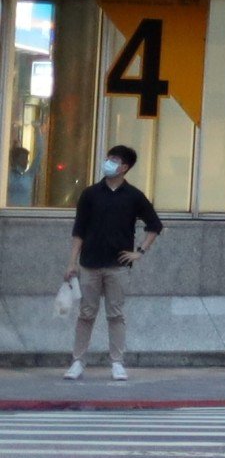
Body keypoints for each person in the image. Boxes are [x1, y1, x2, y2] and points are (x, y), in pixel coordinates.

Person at [63, 141, 163, 381]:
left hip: (118, 266)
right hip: (89, 263)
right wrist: (71, 262)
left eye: (114, 161)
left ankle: (117, 362)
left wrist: (140, 251)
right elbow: (79, 230)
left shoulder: (134, 196)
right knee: (86, 313)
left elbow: (155, 225)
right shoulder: (90, 194)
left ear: (125, 167)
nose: (108, 164)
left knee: (115, 314)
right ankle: (78, 361)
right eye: (108, 159)